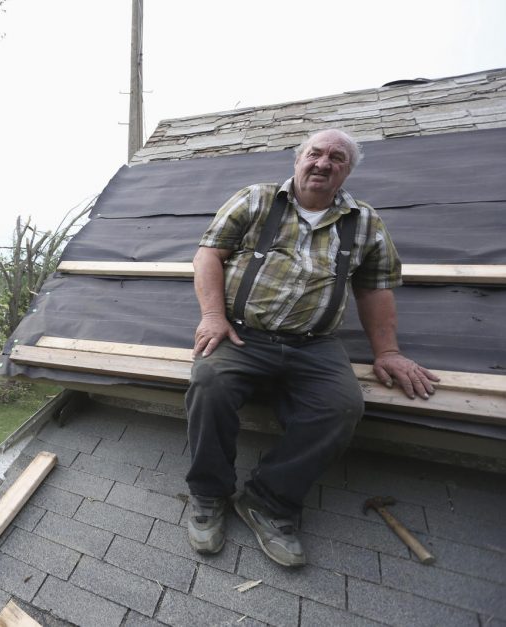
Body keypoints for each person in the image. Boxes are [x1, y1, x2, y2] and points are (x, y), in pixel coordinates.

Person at [185, 129, 438, 567]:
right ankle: (210, 493)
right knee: (209, 383)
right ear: (298, 159)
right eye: (315, 154)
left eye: (336, 158)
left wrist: (389, 352)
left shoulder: (365, 223)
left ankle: (268, 500)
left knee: (341, 407)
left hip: (314, 344)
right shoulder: (255, 200)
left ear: (347, 171)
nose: (323, 163)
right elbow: (208, 254)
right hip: (244, 334)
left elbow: (375, 291)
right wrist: (213, 316)